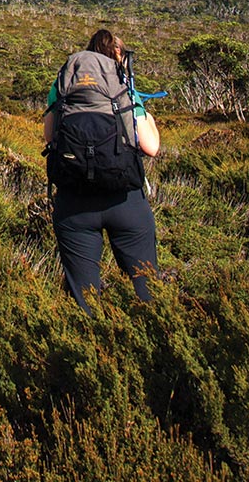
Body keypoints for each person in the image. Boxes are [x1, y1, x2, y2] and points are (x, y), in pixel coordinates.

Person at [43, 29, 161, 311]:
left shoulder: (63, 85)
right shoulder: (122, 86)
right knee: (146, 289)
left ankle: (88, 346)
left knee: (84, 300)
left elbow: (50, 138)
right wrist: (150, 119)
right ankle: (151, 345)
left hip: (74, 203)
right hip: (125, 200)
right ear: (118, 59)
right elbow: (150, 147)